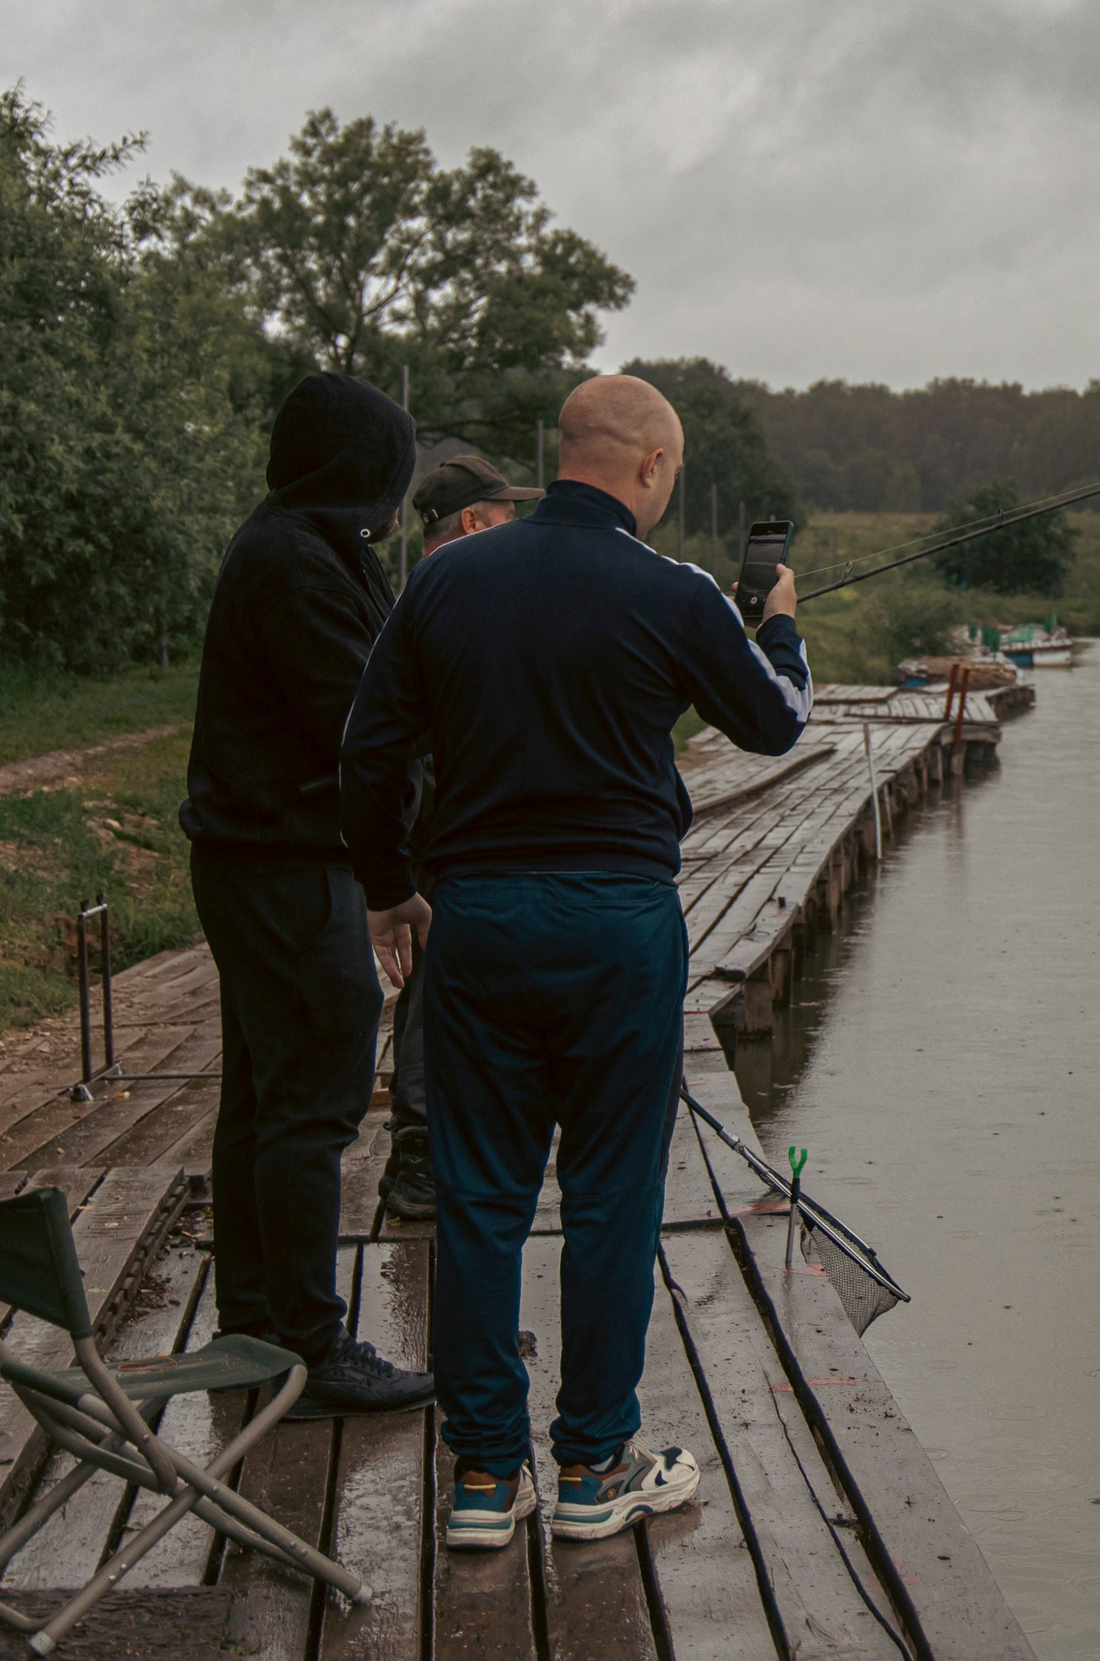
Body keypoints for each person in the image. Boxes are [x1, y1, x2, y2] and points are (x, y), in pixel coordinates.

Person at [340, 374, 810, 1549]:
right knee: (610, 1198)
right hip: (617, 927)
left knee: (479, 1199)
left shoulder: (446, 578)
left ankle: (484, 1477)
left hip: (478, 922)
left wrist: (390, 887)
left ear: (565, 453)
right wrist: (778, 623)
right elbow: (777, 721)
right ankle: (596, 1464)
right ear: (649, 465)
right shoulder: (675, 591)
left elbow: (368, 751)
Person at [181, 372, 437, 1419]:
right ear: (356, 468)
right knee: (311, 1105)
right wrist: (394, 876)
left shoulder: (307, 544)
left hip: (261, 861)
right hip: (286, 868)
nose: (397, 495)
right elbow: (364, 735)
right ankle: (307, 1345)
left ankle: (254, 1326)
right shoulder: (296, 563)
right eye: (390, 471)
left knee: (261, 1100)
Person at [378, 456, 543, 1223]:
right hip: (442, 837)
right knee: (431, 993)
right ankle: (419, 1155)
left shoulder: (433, 595)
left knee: (450, 993)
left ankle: (447, 1145)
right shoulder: (441, 601)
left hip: (453, 832)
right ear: (474, 522)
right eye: (504, 514)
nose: (514, 527)